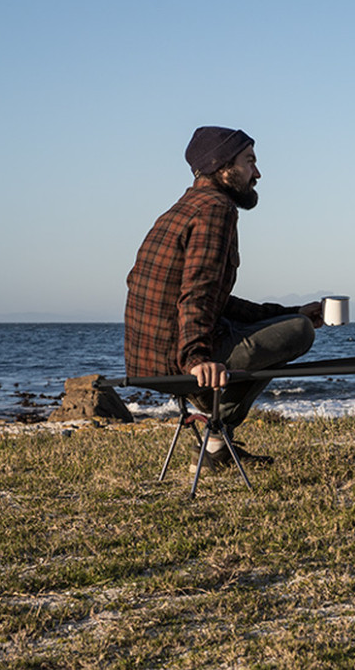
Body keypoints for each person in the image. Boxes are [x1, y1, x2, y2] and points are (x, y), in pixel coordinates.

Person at [124, 125, 323, 470]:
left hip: (149, 360)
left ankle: (217, 444)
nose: (257, 173)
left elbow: (217, 299)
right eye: (249, 161)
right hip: (177, 359)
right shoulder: (216, 210)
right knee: (300, 332)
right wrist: (196, 358)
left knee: (295, 321)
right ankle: (216, 439)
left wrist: (290, 311)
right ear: (222, 167)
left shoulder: (185, 208)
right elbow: (197, 292)